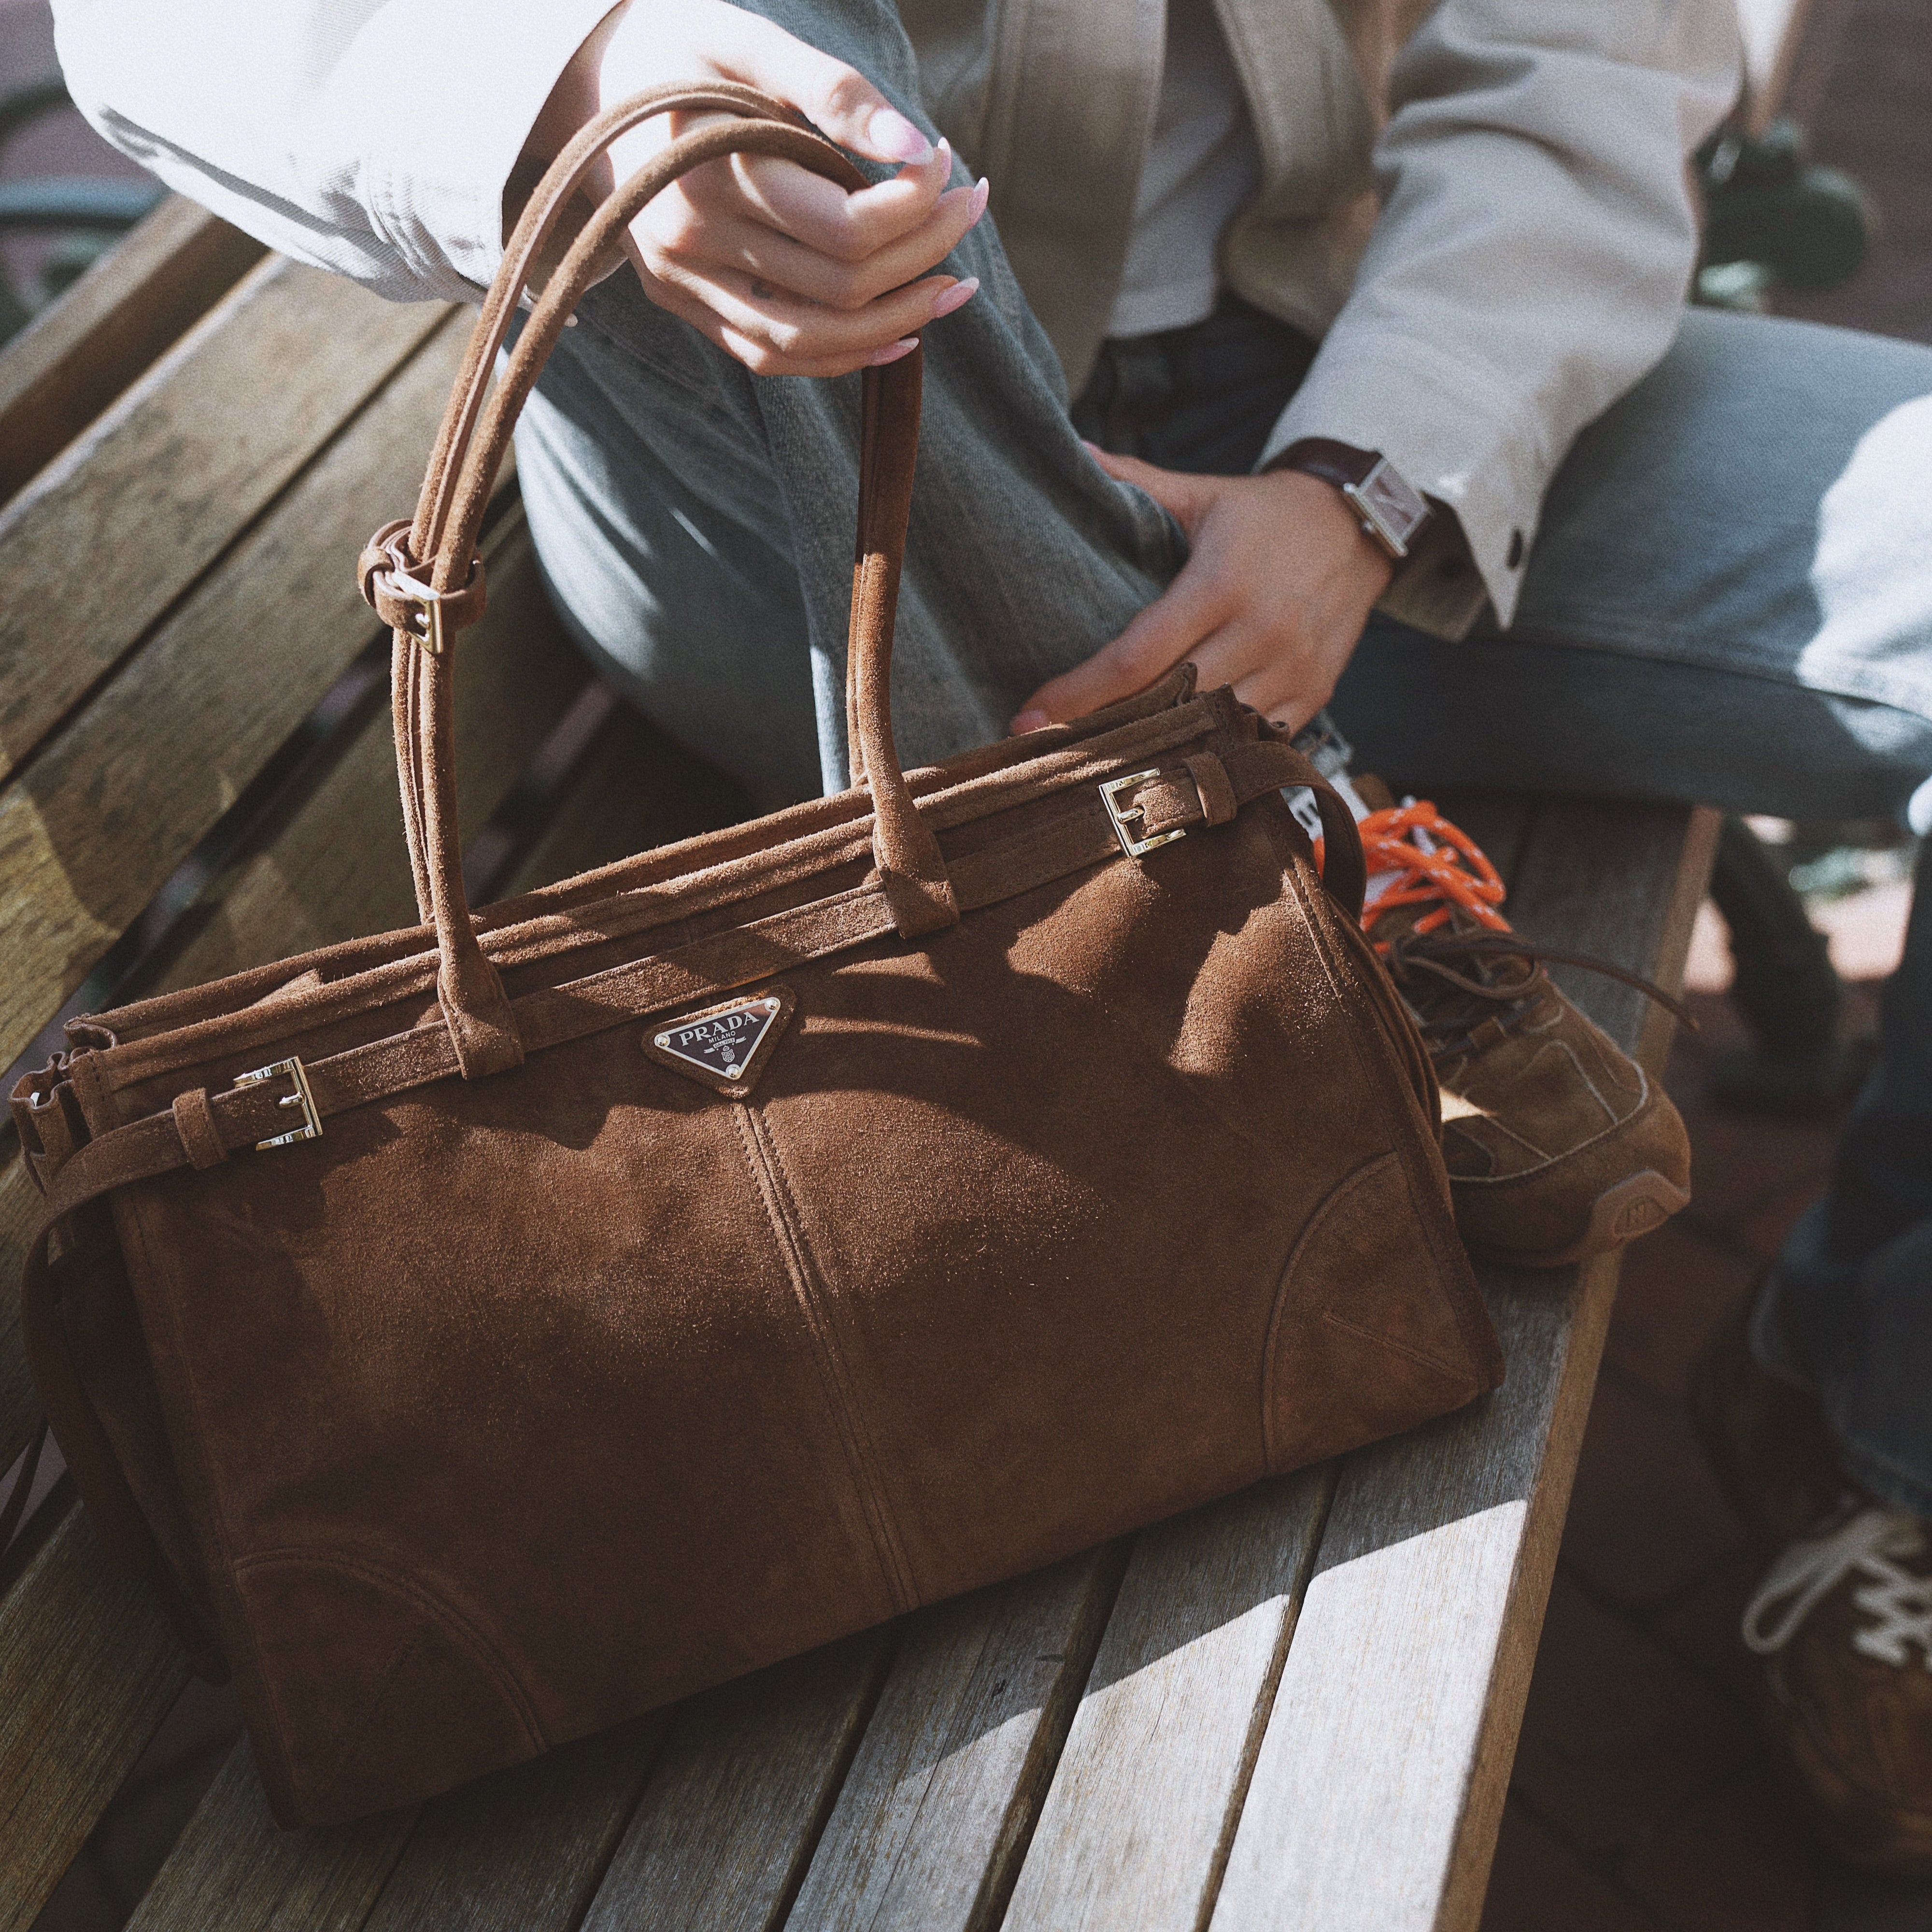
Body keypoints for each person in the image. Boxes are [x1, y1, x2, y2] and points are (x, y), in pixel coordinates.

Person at [52, 0, 1932, 1874]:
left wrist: (1371, 482)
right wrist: (588, 71)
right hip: (765, 471)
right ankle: (1279, 831)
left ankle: (1874, 1411)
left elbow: (1586, 44)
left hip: (1332, 383)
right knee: (759, 73)